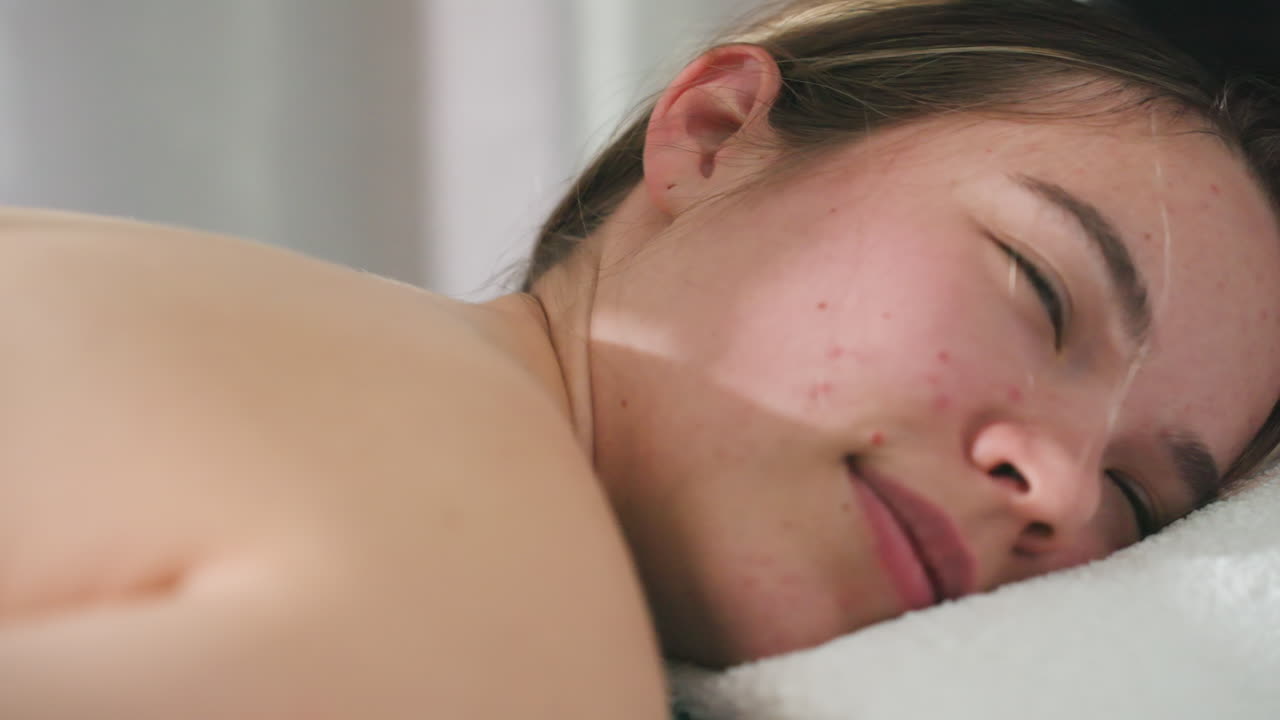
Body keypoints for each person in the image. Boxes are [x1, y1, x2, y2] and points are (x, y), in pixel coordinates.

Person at [2, 0, 1279, 717]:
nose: (1056, 490)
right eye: (1041, 289)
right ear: (715, 132)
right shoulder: (496, 579)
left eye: (1134, 500)